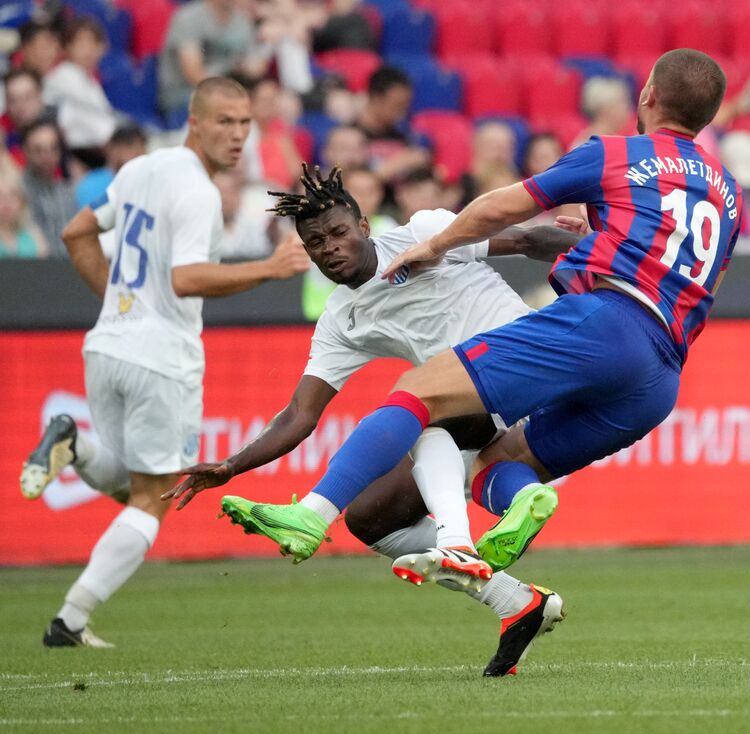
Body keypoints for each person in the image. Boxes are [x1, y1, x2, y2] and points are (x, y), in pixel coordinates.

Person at [217, 51, 742, 677]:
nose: (330, 248)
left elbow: (504, 212)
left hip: (603, 323)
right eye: (317, 243)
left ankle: (319, 515)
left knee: (419, 391)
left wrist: (436, 244)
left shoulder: (616, 152)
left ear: (648, 93)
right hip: (660, 374)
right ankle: (508, 564)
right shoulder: (727, 190)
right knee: (479, 468)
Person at [163, 164, 580, 673]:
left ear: (364, 226)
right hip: (477, 402)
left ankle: (454, 542)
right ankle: (515, 601)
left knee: (420, 408)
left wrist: (586, 240)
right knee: (370, 518)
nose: (330, 248)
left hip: (526, 359)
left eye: (338, 232)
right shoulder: (342, 319)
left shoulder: (424, 233)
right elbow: (300, 413)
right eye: (316, 243)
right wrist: (231, 465)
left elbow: (524, 239)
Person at [19, 78, 311, 648]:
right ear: (194, 121)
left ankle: (69, 444)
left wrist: (117, 303)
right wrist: (269, 269)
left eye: (245, 122)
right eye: (224, 121)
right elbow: (185, 279)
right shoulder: (198, 192)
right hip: (161, 358)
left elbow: (78, 231)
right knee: (152, 500)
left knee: (133, 485)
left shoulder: (139, 171)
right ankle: (69, 622)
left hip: (107, 346)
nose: (237, 134)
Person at [158, 0, 259, 115]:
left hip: (227, 89)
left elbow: (253, 68)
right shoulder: (188, 18)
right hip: (184, 94)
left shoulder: (242, 22)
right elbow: (194, 75)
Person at [42, 15, 115, 162]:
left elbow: (105, 117)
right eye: (81, 44)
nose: (88, 50)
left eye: (93, 43)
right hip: (76, 152)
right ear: (67, 47)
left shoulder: (91, 82)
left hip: (97, 148)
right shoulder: (63, 75)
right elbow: (96, 123)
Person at [355, 66, 432, 181]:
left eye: (406, 105)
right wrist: (388, 169)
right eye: (397, 105)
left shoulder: (405, 136)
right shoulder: (350, 135)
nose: (403, 112)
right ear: (376, 98)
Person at [18, 119, 76, 257]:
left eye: (53, 148)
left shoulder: (68, 192)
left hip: (65, 269)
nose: (47, 156)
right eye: (38, 150)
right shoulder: (17, 191)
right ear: (25, 151)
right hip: (26, 270)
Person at [75, 123, 147, 209]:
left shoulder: (145, 183)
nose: (136, 153)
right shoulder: (90, 185)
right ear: (112, 148)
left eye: (141, 148)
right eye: (129, 146)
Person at [0, 171, 48, 257]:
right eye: (1, 196)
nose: (7, 202)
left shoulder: (35, 237)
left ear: (22, 202)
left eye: (13, 195)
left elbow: (44, 268)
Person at [3, 68, 49, 155]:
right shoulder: (3, 138)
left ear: (40, 96)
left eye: (27, 98)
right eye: (13, 100)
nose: (20, 106)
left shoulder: (56, 130)